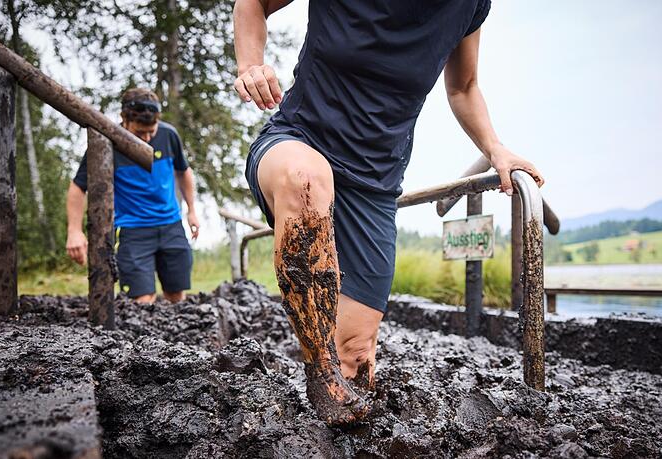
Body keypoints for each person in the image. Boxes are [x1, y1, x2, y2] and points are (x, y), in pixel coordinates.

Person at [233, 0, 544, 425]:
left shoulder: (470, 4)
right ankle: (318, 369)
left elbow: (464, 87)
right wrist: (251, 64)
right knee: (307, 179)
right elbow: (252, 4)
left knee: (357, 357)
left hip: (375, 184)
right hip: (298, 140)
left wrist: (496, 149)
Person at [65, 88, 200, 304]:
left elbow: (184, 172)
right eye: (139, 133)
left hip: (171, 226)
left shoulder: (168, 135)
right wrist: (74, 231)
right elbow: (78, 187)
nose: (146, 139)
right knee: (142, 300)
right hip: (133, 231)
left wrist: (191, 211)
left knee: (177, 297)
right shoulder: (105, 144)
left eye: (151, 132)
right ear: (124, 120)